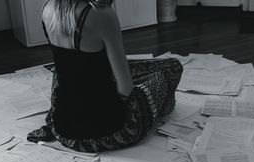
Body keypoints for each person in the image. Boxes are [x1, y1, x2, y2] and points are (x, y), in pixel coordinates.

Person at [27, 0, 183, 152]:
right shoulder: (101, 14)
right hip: (108, 132)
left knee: (64, 70)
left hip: (62, 128)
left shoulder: (48, 8)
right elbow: (126, 90)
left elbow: (73, 66)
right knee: (172, 67)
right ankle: (163, 108)